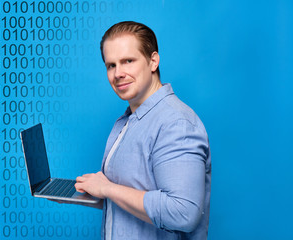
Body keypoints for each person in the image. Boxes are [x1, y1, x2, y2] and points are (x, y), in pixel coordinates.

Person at [75, 21, 211, 240]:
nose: (118, 73)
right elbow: (137, 195)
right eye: (111, 65)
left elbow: (183, 213)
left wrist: (108, 189)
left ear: (153, 61)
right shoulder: (129, 120)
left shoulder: (176, 123)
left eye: (128, 61)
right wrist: (92, 193)